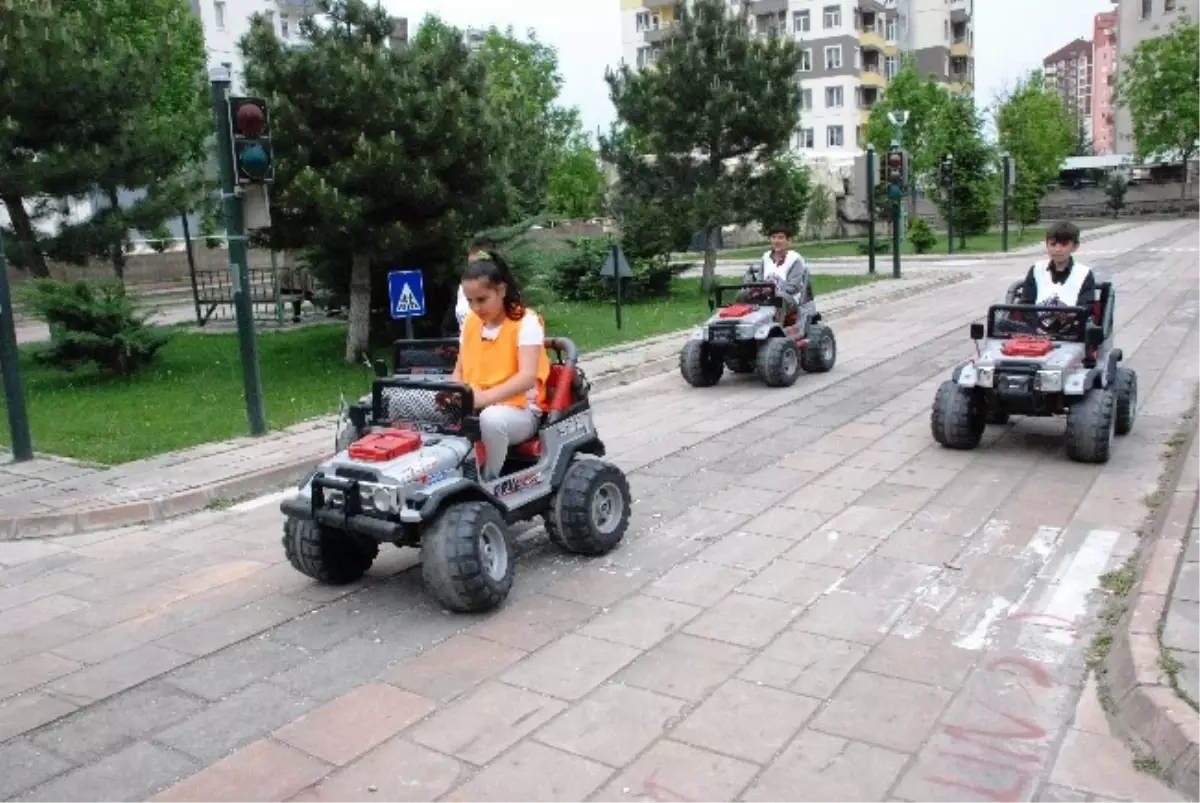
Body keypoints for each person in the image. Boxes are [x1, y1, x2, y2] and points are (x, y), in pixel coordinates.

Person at [451, 252, 550, 480]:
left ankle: (489, 478)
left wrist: (482, 400)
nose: (475, 307)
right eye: (470, 301)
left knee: (492, 419)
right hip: (475, 401)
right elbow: (459, 371)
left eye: (482, 299)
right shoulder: (470, 323)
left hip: (521, 410)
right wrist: (456, 395)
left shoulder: (526, 322)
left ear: (501, 290)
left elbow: (526, 378)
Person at [1015, 220, 1097, 336]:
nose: (1057, 250)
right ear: (1046, 245)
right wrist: (1038, 328)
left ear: (1075, 246)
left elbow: (1086, 307)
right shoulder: (1037, 269)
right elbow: (1026, 304)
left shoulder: (1084, 274)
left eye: (1063, 245)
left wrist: (1069, 317)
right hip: (1036, 330)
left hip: (1071, 331)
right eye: (1053, 245)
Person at [736, 224, 807, 318]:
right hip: (765, 296)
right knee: (742, 295)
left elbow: (793, 287)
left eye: (780, 238)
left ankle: (775, 330)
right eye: (773, 237)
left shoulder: (795, 260)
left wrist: (771, 291)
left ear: (788, 240)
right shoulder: (765, 257)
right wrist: (757, 290)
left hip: (788, 299)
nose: (776, 241)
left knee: (779, 298)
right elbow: (760, 281)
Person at [443, 237, 500, 336]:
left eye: (479, 265)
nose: (474, 270)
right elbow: (449, 327)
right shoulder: (462, 290)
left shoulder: (502, 291)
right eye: (471, 266)